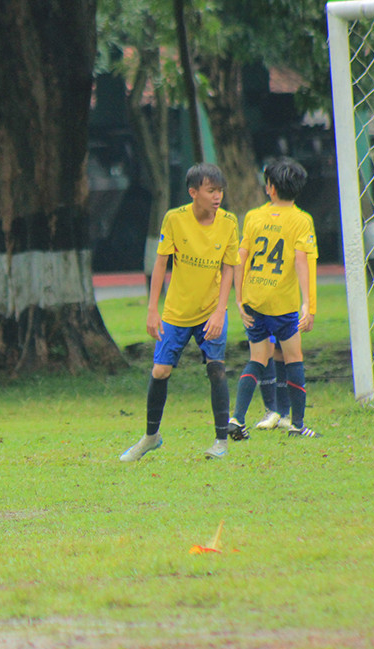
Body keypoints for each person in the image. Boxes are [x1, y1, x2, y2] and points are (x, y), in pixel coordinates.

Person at [120, 163, 240, 462]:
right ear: (193, 192)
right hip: (176, 311)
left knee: (216, 368)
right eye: (211, 191)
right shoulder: (174, 219)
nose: (217, 197)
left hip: (211, 309)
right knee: (160, 371)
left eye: (220, 191)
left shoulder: (228, 222)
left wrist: (220, 311)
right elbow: (161, 263)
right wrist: (152, 309)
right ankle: (151, 437)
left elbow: (229, 268)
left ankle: (221, 442)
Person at [228, 157, 320, 438]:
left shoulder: (254, 217)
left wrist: (239, 298)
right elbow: (303, 262)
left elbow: (241, 258)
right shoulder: (302, 220)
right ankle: (298, 425)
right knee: (293, 359)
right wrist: (309, 305)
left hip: (255, 299)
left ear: (270, 187)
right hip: (282, 303)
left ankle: (236, 418)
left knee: (257, 359)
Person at [254, 223, 318, 431]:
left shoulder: (296, 221)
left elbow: (303, 262)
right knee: (269, 351)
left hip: (282, 303)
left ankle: (283, 413)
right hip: (264, 301)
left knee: (281, 353)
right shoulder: (262, 218)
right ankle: (273, 410)